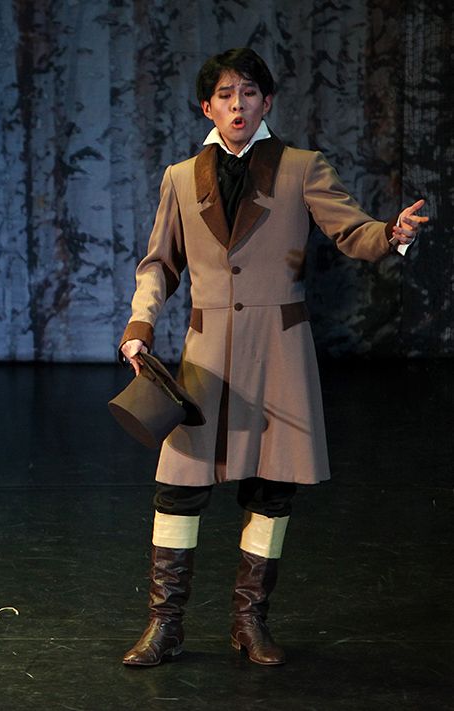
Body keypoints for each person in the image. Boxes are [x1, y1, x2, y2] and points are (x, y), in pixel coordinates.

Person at [118, 48, 428, 666]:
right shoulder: (180, 177)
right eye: (226, 95)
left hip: (279, 353)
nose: (238, 104)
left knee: (272, 489)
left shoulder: (300, 167)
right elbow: (160, 263)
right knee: (178, 488)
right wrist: (139, 325)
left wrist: (391, 234)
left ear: (267, 102)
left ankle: (249, 622)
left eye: (249, 93)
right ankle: (164, 625)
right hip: (206, 357)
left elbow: (351, 231)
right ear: (207, 107)